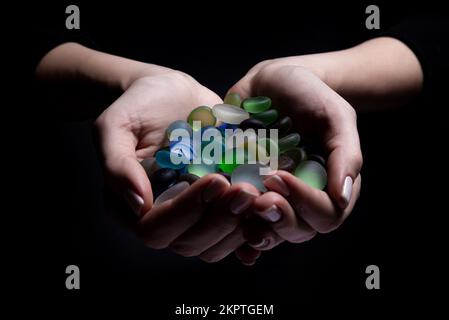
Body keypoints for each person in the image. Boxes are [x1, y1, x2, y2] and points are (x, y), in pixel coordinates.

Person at [34, 10, 448, 266]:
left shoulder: (279, 145)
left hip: (326, 269)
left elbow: (439, 26)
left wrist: (324, 77)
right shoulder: (194, 149)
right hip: (92, 238)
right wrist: (128, 80)